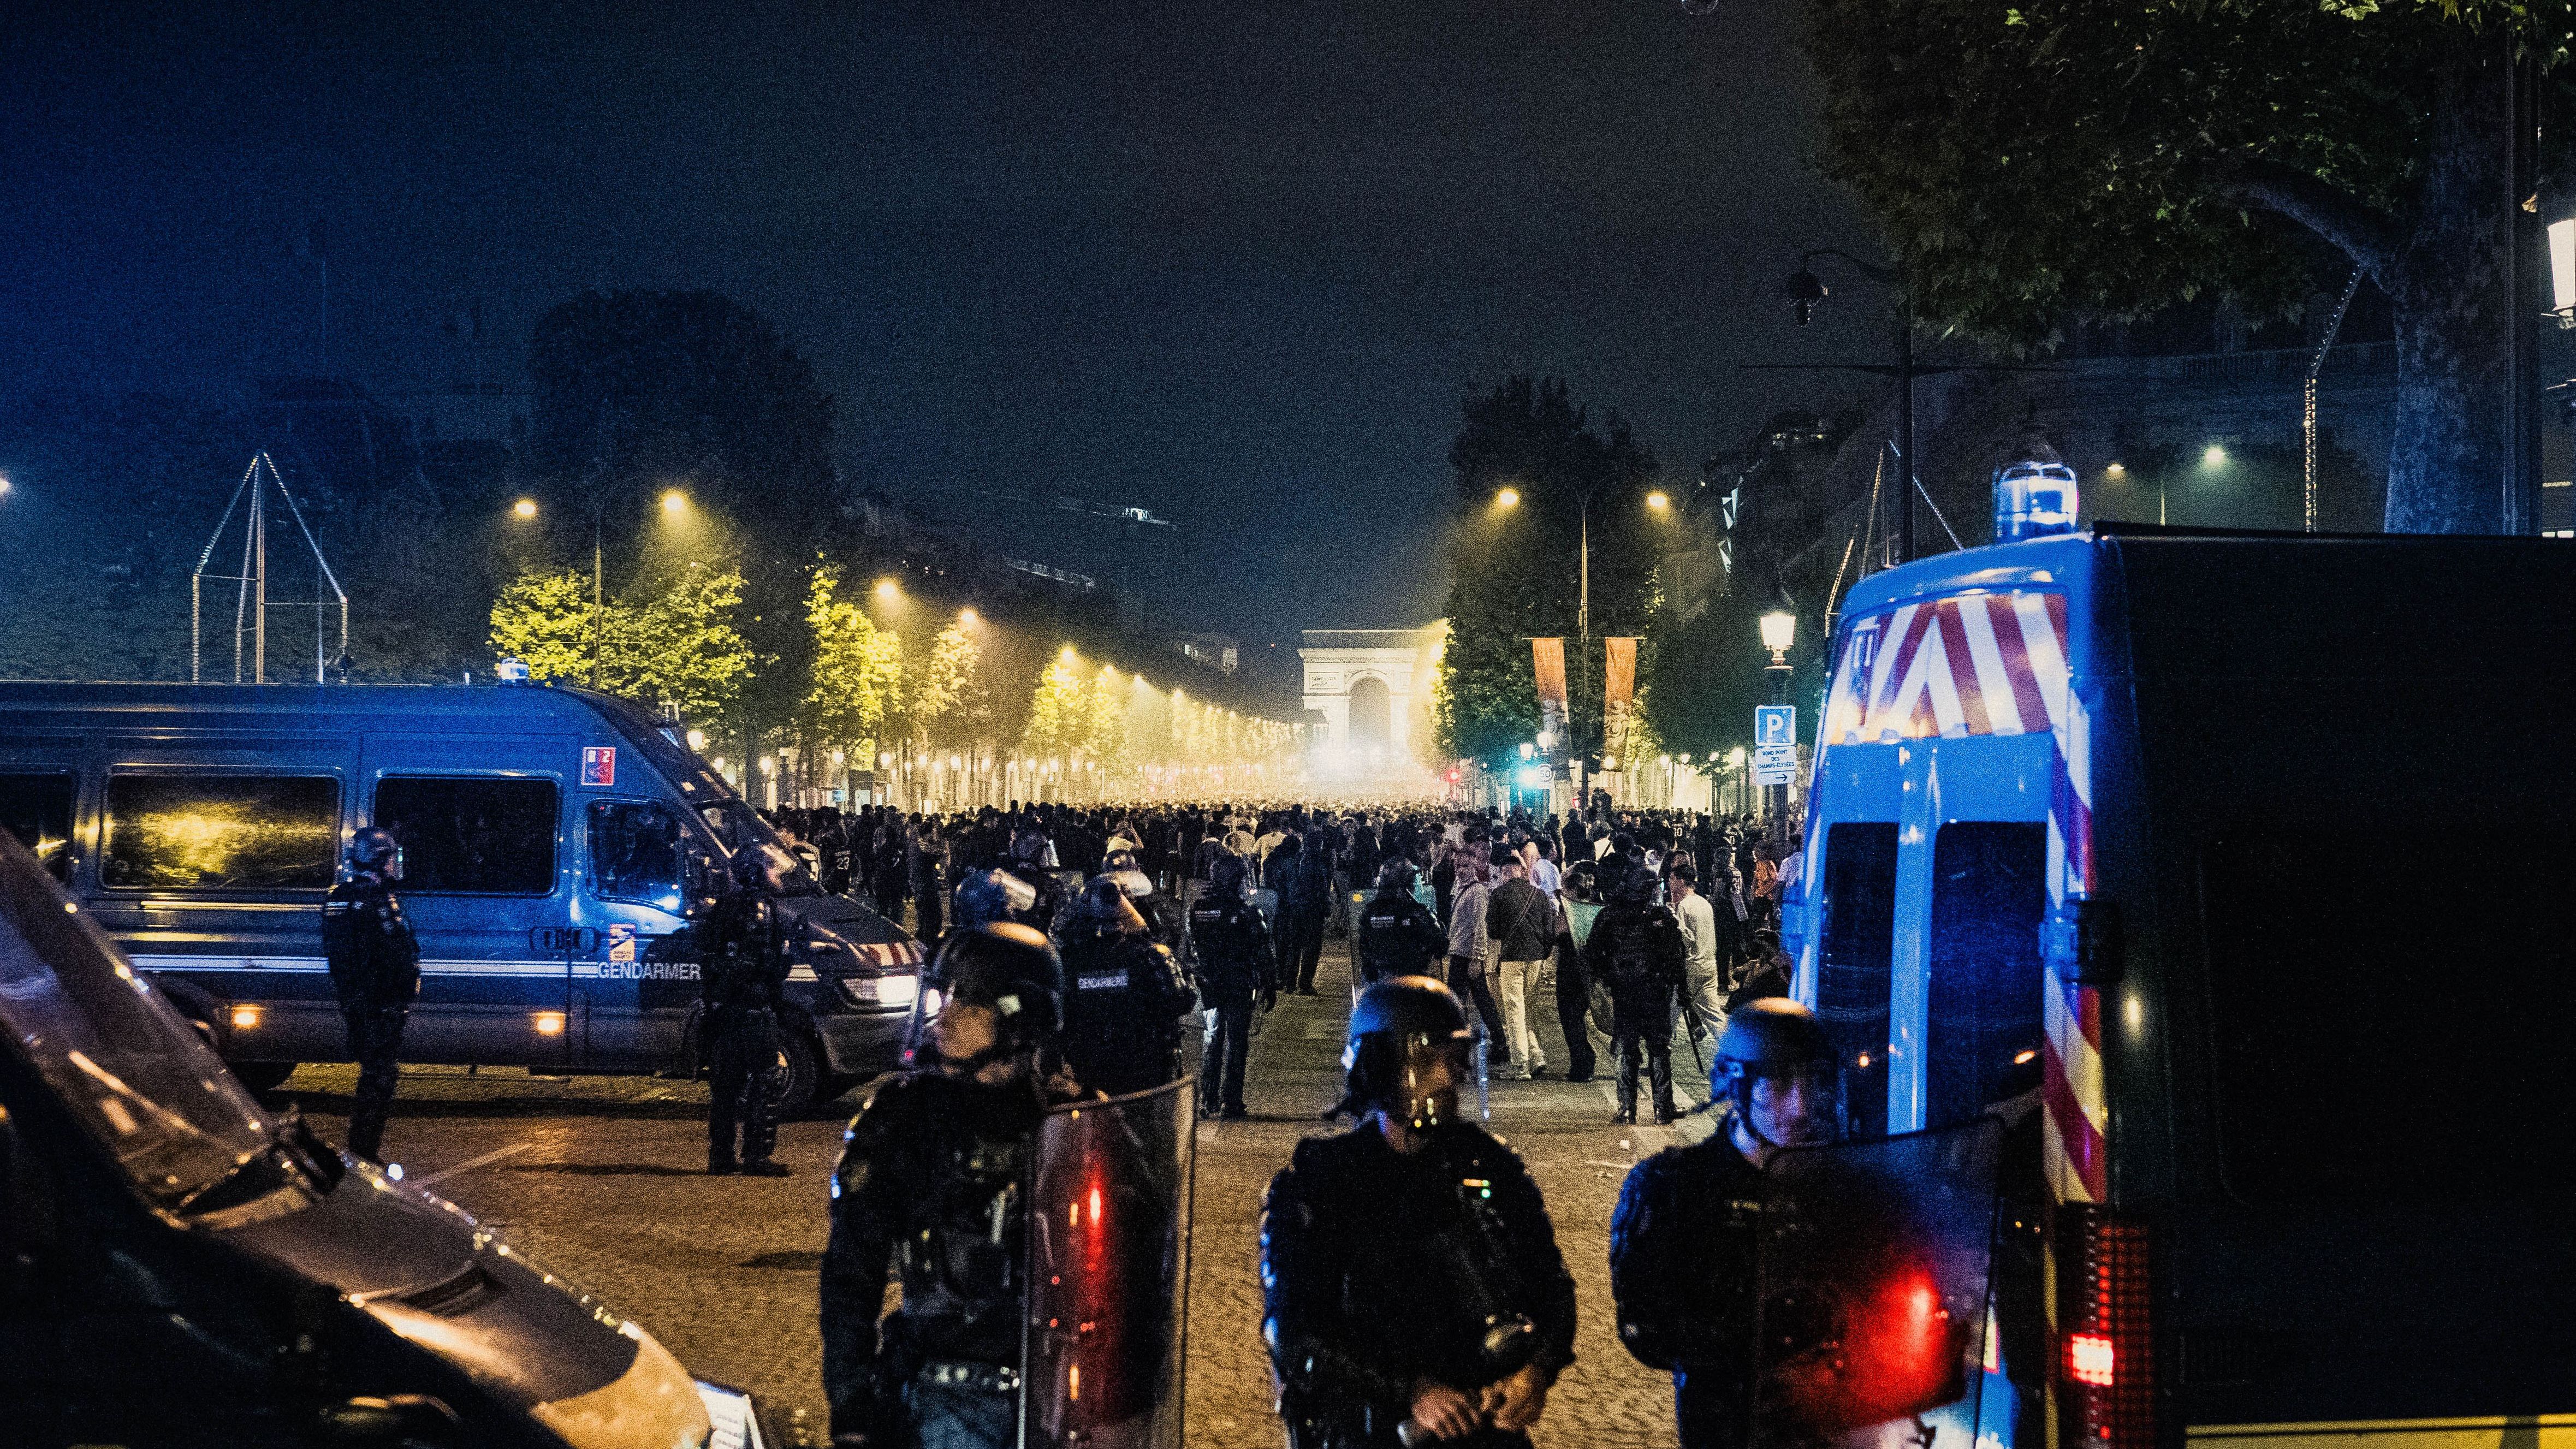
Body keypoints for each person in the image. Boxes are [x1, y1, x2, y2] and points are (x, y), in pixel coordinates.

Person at [1260, 977, 1578, 1449]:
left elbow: (1551, 1285)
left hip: (1480, 1425)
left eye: (1454, 1058)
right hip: (1374, 1430)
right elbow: (1294, 1332)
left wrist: (1535, 1369)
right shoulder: (1323, 1181)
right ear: (1380, 1066)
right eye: (1428, 1059)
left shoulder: (1487, 1164)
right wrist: (1411, 1391)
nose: (1449, 1077)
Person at [821, 925, 1079, 1448]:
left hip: (1058, 1396)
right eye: (946, 995)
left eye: (969, 1002)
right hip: (940, 1392)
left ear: (1017, 1020)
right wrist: (851, 1404)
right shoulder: (904, 1120)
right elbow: (851, 1276)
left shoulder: (1074, 1123)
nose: (945, 1014)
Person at [1610, 1000, 1840, 1449]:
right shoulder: (1676, 1188)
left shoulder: (1847, 1191)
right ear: (1737, 1087)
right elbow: (1646, 1324)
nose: (1801, 1106)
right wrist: (1759, 1356)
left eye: (1813, 1082)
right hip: (1729, 1427)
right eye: (1780, 1083)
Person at [320, 826, 419, 1162]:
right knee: (378, 1077)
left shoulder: (367, 897)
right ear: (378, 860)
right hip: (374, 1004)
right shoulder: (360, 901)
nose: (396, 864)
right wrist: (376, 999)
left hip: (378, 1002)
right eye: (392, 857)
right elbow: (359, 957)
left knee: (380, 1075)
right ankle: (362, 1153)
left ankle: (364, 1150)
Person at [1056, 875, 1197, 1098]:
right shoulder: (1151, 954)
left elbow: (1060, 1015)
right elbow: (1180, 1000)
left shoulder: (1069, 960)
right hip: (1143, 1067)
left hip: (1089, 1070)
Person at [701, 850, 793, 1175]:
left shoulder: (723, 908)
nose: (776, 875)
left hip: (727, 1012)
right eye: (770, 869)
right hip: (753, 1009)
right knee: (764, 1082)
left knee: (725, 1089)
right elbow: (768, 964)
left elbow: (709, 956)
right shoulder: (761, 911)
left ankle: (721, 1157)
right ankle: (756, 1156)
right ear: (755, 872)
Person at [1586, 871, 1686, 1124]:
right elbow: (1677, 958)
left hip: (1630, 992)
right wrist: (1679, 989)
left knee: (1629, 1048)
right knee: (1655, 1048)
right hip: (1651, 992)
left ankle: (1629, 1109)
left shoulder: (1611, 916)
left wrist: (1607, 981)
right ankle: (1661, 1109)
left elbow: (1592, 955)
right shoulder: (1660, 917)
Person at [1188, 854, 1277, 1119]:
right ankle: (1232, 1100)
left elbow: (1192, 945)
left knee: (1212, 1038)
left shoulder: (1198, 909)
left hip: (1211, 983)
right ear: (1235, 880)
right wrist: (1269, 985)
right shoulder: (1247, 913)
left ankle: (1208, 1099)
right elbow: (1263, 953)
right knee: (1237, 1043)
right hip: (1238, 984)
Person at [1483, 857, 1554, 1080]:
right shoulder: (1539, 895)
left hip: (1511, 958)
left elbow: (1493, 932)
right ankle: (1537, 1054)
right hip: (1535, 958)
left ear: (1505, 872)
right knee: (1530, 1007)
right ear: (1522, 871)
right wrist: (1543, 953)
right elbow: (1549, 929)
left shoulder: (1498, 895)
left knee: (1514, 1010)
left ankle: (1520, 1064)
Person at [1355, 859, 1446, 989]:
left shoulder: (1371, 911)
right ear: (1407, 883)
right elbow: (1440, 945)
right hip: (1409, 984)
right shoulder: (1414, 912)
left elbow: (1364, 948)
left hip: (1377, 986)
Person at [1669, 865, 1725, 1046]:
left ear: (1681, 881)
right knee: (1713, 1014)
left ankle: (1662, 1051)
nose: (1670, 883)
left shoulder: (1684, 907)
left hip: (1692, 966)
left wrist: (1673, 921)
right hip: (1709, 963)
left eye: (1672, 879)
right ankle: (1732, 1049)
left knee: (1672, 1010)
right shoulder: (1705, 903)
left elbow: (1686, 939)